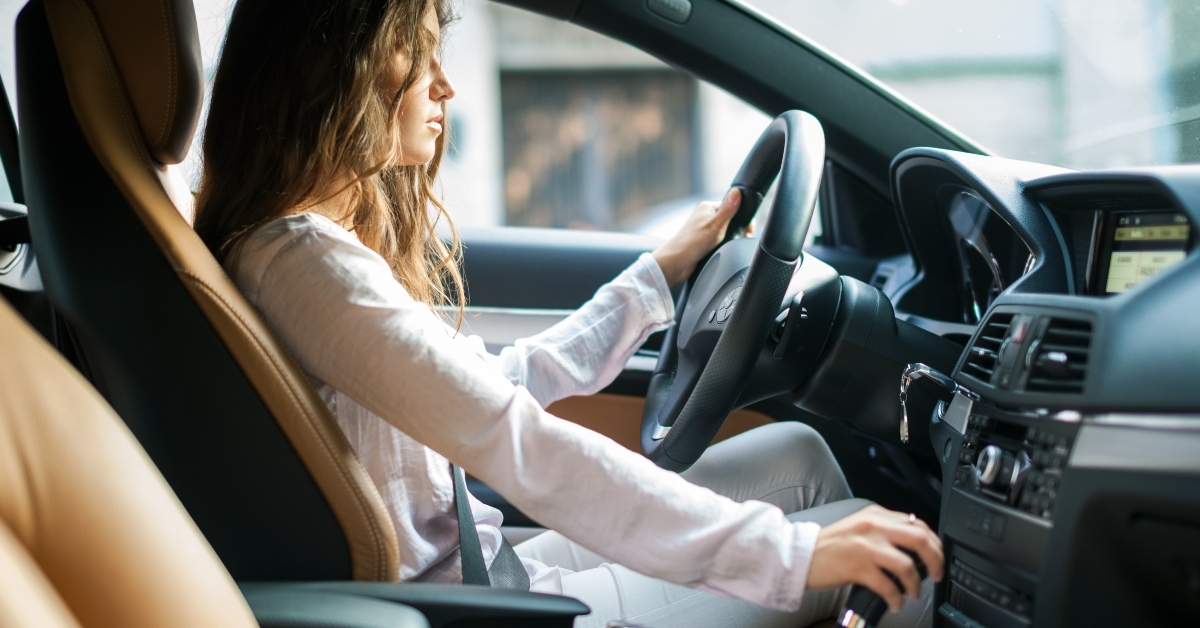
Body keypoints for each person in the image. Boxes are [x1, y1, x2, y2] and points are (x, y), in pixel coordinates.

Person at [192, 0, 942, 626]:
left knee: (801, 457)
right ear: (337, 69)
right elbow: (513, 438)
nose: (443, 84)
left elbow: (493, 389)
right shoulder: (307, 262)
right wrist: (789, 556)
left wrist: (656, 277)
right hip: (470, 607)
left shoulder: (297, 250)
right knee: (897, 571)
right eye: (415, 52)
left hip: (481, 571)